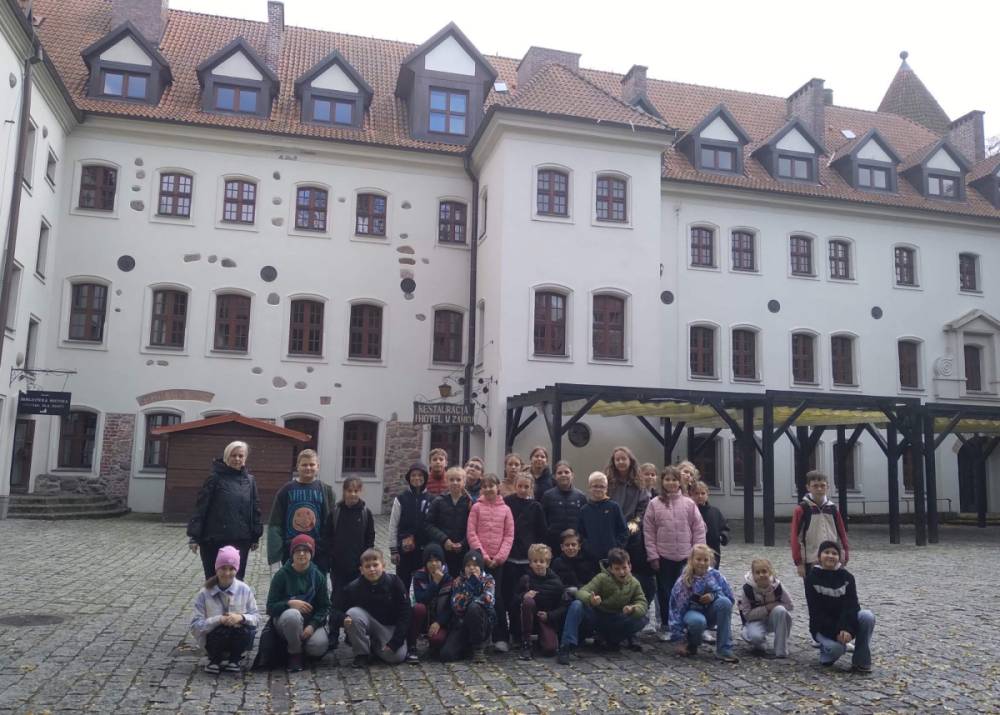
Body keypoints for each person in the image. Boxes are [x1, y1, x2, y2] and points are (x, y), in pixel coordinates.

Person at [643, 465, 706, 642]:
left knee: (687, 592)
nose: (671, 483)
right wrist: (653, 555)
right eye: (667, 479)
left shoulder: (689, 504)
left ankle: (687, 624)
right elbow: (649, 532)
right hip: (663, 557)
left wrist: (697, 553)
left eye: (674, 480)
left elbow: (698, 529)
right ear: (662, 482)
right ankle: (666, 624)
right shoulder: (654, 504)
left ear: (680, 482)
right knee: (665, 592)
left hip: (686, 557)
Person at [556, 548, 647, 665]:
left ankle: (612, 639)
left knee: (641, 618)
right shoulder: (602, 578)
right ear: (611, 569)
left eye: (624, 568)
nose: (622, 572)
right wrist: (591, 599)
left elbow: (642, 603)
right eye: (617, 569)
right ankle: (566, 646)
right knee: (577, 604)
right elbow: (581, 592)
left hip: (617, 618)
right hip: (597, 616)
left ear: (630, 566)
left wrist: (633, 609)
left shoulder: (634, 583)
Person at [187, 441, 262, 580]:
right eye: (233, 455)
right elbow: (201, 507)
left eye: (240, 456)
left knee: (236, 582)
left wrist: (255, 535)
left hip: (241, 540)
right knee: (214, 581)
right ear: (227, 456)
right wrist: (194, 536)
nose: (237, 459)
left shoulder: (250, 481)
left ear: (245, 458)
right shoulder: (214, 479)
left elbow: (255, 509)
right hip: (214, 540)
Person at [334, 548, 411, 668]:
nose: (372, 569)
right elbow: (334, 611)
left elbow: (405, 612)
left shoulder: (395, 582)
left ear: (383, 566)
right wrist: (343, 618)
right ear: (361, 570)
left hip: (389, 626)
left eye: (375, 565)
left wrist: (396, 641)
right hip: (366, 622)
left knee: (396, 657)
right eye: (367, 566)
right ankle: (362, 654)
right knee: (353, 613)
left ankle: (375, 646)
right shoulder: (353, 588)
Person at [805, 542, 875, 672]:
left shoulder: (847, 577)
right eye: (826, 552)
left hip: (844, 626)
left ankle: (861, 661)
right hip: (822, 627)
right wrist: (837, 632)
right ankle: (825, 652)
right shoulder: (811, 579)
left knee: (867, 616)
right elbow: (816, 613)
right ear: (819, 556)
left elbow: (852, 606)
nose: (830, 556)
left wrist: (847, 629)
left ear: (839, 557)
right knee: (836, 649)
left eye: (834, 553)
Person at [264, 534, 330, 672]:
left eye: (305, 550)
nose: (301, 554)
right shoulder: (281, 575)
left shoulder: (318, 576)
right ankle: (295, 653)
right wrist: (289, 604)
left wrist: (313, 625)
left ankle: (298, 644)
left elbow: (324, 607)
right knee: (292, 615)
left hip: (309, 622)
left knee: (318, 647)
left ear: (311, 554)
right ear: (292, 554)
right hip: (285, 621)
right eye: (297, 550)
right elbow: (270, 607)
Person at [190, 545, 260, 674]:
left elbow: (256, 618)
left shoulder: (244, 589)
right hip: (214, 639)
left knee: (244, 630)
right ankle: (215, 659)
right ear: (217, 568)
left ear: (237, 569)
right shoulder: (204, 593)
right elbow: (195, 625)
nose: (227, 573)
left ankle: (235, 659)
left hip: (238, 636)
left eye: (231, 569)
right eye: (223, 568)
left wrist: (241, 617)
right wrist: (218, 620)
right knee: (221, 630)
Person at [325, 477, 375, 653]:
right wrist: (331, 556)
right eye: (349, 491)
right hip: (338, 566)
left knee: (355, 599)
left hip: (357, 567)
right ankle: (333, 633)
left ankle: (350, 632)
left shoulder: (366, 513)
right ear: (344, 491)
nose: (352, 494)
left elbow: (370, 538)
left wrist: (365, 563)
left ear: (360, 492)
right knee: (337, 599)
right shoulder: (336, 512)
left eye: (356, 491)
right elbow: (328, 536)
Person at [266, 449, 336, 572]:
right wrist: (275, 553)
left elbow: (332, 523)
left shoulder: (326, 491)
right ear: (297, 466)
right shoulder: (286, 490)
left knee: (317, 582)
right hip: (292, 549)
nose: (308, 468)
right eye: (304, 465)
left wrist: (328, 548)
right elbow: (275, 523)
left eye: (312, 464)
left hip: (318, 550)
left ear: (318, 467)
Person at [467, 472, 514, 651]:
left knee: (497, 597)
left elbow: (509, 535)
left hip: (498, 562)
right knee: (478, 595)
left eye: (491, 486)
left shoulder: (506, 510)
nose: (488, 489)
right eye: (484, 486)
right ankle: (481, 634)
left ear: (498, 487)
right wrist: (483, 557)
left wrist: (499, 557)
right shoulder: (476, 508)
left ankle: (501, 636)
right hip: (480, 561)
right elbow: (472, 533)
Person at [668, 544, 739, 663]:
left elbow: (730, 597)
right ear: (691, 560)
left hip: (711, 611)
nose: (702, 563)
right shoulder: (684, 581)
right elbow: (676, 609)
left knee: (724, 602)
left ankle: (724, 648)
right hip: (692, 613)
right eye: (698, 559)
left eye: (705, 560)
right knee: (698, 621)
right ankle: (692, 642)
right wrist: (678, 639)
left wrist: (713, 596)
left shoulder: (716, 576)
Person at [604, 447, 652, 622]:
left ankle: (637, 610)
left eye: (624, 458)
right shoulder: (609, 481)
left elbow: (643, 506)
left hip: (633, 535)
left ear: (630, 460)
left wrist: (635, 523)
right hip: (613, 532)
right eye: (617, 459)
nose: (621, 462)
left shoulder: (639, 483)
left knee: (633, 572)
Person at [503, 472, 547, 644]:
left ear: (531, 488)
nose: (522, 489)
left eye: (526, 487)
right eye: (520, 486)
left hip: (528, 559)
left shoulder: (536, 506)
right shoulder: (507, 503)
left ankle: (528, 631)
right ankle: (514, 631)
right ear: (515, 486)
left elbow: (541, 532)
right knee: (511, 596)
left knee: (528, 596)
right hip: (510, 557)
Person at [434, 549, 496, 663]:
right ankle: (467, 647)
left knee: (474, 608)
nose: (472, 568)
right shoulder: (458, 581)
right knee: (446, 655)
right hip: (461, 623)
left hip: (482, 622)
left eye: (475, 565)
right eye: (468, 565)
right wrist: (470, 585)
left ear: (481, 567)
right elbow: (457, 606)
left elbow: (488, 600)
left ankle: (478, 649)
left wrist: (471, 596)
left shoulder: (488, 579)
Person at [791, 471, 850, 580]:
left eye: (822, 485)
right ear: (808, 487)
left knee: (834, 588)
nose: (819, 489)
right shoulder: (802, 509)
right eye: (815, 486)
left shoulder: (833, 509)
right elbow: (795, 537)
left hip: (832, 558)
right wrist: (799, 562)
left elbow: (841, 533)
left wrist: (844, 555)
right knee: (813, 589)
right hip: (812, 559)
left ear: (827, 487)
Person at [515, 543, 565, 660]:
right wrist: (523, 596)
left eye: (542, 561)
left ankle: (542, 640)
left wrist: (549, 616)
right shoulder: (525, 579)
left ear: (547, 563)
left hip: (546, 618)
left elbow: (563, 606)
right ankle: (526, 643)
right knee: (528, 601)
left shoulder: (556, 583)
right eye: (535, 561)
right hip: (528, 616)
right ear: (530, 563)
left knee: (550, 649)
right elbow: (514, 600)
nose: (538, 564)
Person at [387, 463, 432, 593]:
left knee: (423, 587)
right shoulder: (401, 499)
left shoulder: (432, 499)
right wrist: (394, 550)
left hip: (423, 551)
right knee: (402, 587)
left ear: (425, 478)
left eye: (420, 475)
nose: (416, 478)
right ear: (409, 478)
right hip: (405, 550)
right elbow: (393, 525)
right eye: (413, 475)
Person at [736, 558, 793, 658]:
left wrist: (774, 607)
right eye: (757, 572)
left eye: (764, 571)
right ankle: (759, 643)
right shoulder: (747, 589)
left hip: (774, 618)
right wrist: (767, 608)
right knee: (755, 637)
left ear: (770, 572)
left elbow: (790, 605)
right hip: (755, 620)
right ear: (753, 574)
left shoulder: (777, 586)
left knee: (781, 610)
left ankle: (781, 650)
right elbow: (747, 615)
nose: (761, 575)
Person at [407, 543, 452, 661]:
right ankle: (412, 645)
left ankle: (433, 646)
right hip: (423, 617)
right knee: (419, 608)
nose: (434, 564)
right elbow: (420, 599)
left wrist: (439, 622)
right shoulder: (418, 576)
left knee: (437, 640)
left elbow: (449, 607)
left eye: (437, 560)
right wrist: (434, 583)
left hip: (439, 620)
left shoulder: (448, 578)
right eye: (430, 561)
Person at [425, 466, 472, 578]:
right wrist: (444, 540)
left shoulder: (469, 503)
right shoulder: (438, 501)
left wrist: (463, 543)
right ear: (446, 481)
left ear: (464, 482)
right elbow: (428, 524)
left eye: (458, 480)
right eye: (451, 479)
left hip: (462, 550)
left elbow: (472, 527)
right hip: (443, 549)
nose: (455, 482)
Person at [577, 472, 628, 564]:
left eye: (602, 486)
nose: (598, 489)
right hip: (591, 559)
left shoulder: (614, 507)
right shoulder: (584, 510)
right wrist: (588, 548)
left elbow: (624, 531)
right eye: (595, 486)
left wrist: (616, 548)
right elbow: (580, 534)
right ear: (589, 488)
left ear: (606, 489)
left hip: (613, 559)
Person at [541, 461, 587, 552]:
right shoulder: (547, 496)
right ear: (554, 476)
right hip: (553, 544)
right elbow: (543, 521)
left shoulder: (581, 497)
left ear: (572, 475)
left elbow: (584, 523)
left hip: (574, 546)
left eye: (566, 472)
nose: (563, 475)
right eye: (560, 473)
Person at [691, 481, 729, 568]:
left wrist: (722, 536)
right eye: (696, 493)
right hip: (694, 550)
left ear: (707, 494)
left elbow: (724, 528)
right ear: (692, 494)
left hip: (713, 550)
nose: (700, 496)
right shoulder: (690, 511)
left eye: (702, 493)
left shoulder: (715, 512)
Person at [550, 529, 598, 595]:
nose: (570, 548)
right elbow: (554, 583)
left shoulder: (588, 560)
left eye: (573, 544)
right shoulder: (557, 563)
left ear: (579, 546)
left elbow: (594, 581)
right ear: (562, 547)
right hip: (566, 596)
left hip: (588, 594)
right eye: (567, 545)